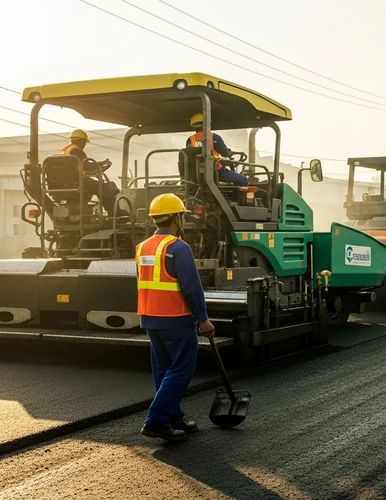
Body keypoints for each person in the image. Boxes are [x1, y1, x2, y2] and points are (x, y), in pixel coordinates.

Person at [136, 193, 216, 442]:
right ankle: (157, 420)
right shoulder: (178, 248)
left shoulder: (142, 247)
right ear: (176, 218)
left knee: (163, 370)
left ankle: (174, 416)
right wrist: (203, 318)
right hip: (176, 318)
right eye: (182, 215)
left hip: (150, 317)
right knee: (181, 370)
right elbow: (191, 287)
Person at [58, 129, 127, 216]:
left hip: (65, 183)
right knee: (105, 187)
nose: (84, 145)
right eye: (84, 143)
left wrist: (99, 164)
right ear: (81, 141)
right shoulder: (76, 151)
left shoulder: (64, 150)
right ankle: (115, 213)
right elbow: (86, 165)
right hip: (77, 182)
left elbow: (79, 167)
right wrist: (99, 165)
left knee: (98, 185)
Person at [186, 113, 248, 186]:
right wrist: (229, 152)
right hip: (216, 171)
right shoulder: (214, 137)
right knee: (243, 180)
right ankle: (240, 197)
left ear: (194, 126)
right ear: (207, 124)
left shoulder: (190, 140)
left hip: (196, 174)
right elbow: (225, 153)